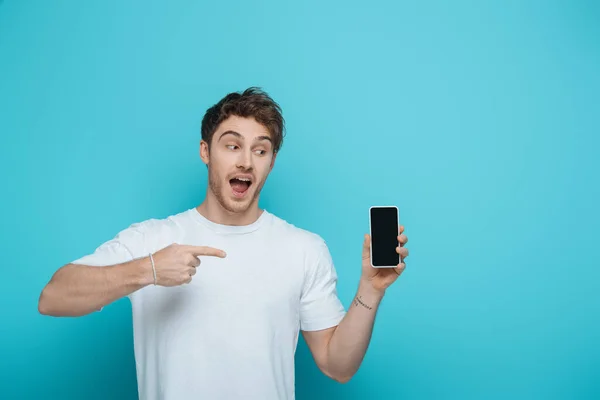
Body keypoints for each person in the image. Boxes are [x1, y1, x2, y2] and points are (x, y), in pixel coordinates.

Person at [38, 87, 410, 400]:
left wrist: (370, 291)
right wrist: (148, 269)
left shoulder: (304, 248)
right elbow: (53, 297)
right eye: (232, 146)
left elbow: (338, 366)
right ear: (205, 151)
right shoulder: (152, 238)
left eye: (260, 150)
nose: (246, 161)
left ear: (271, 162)